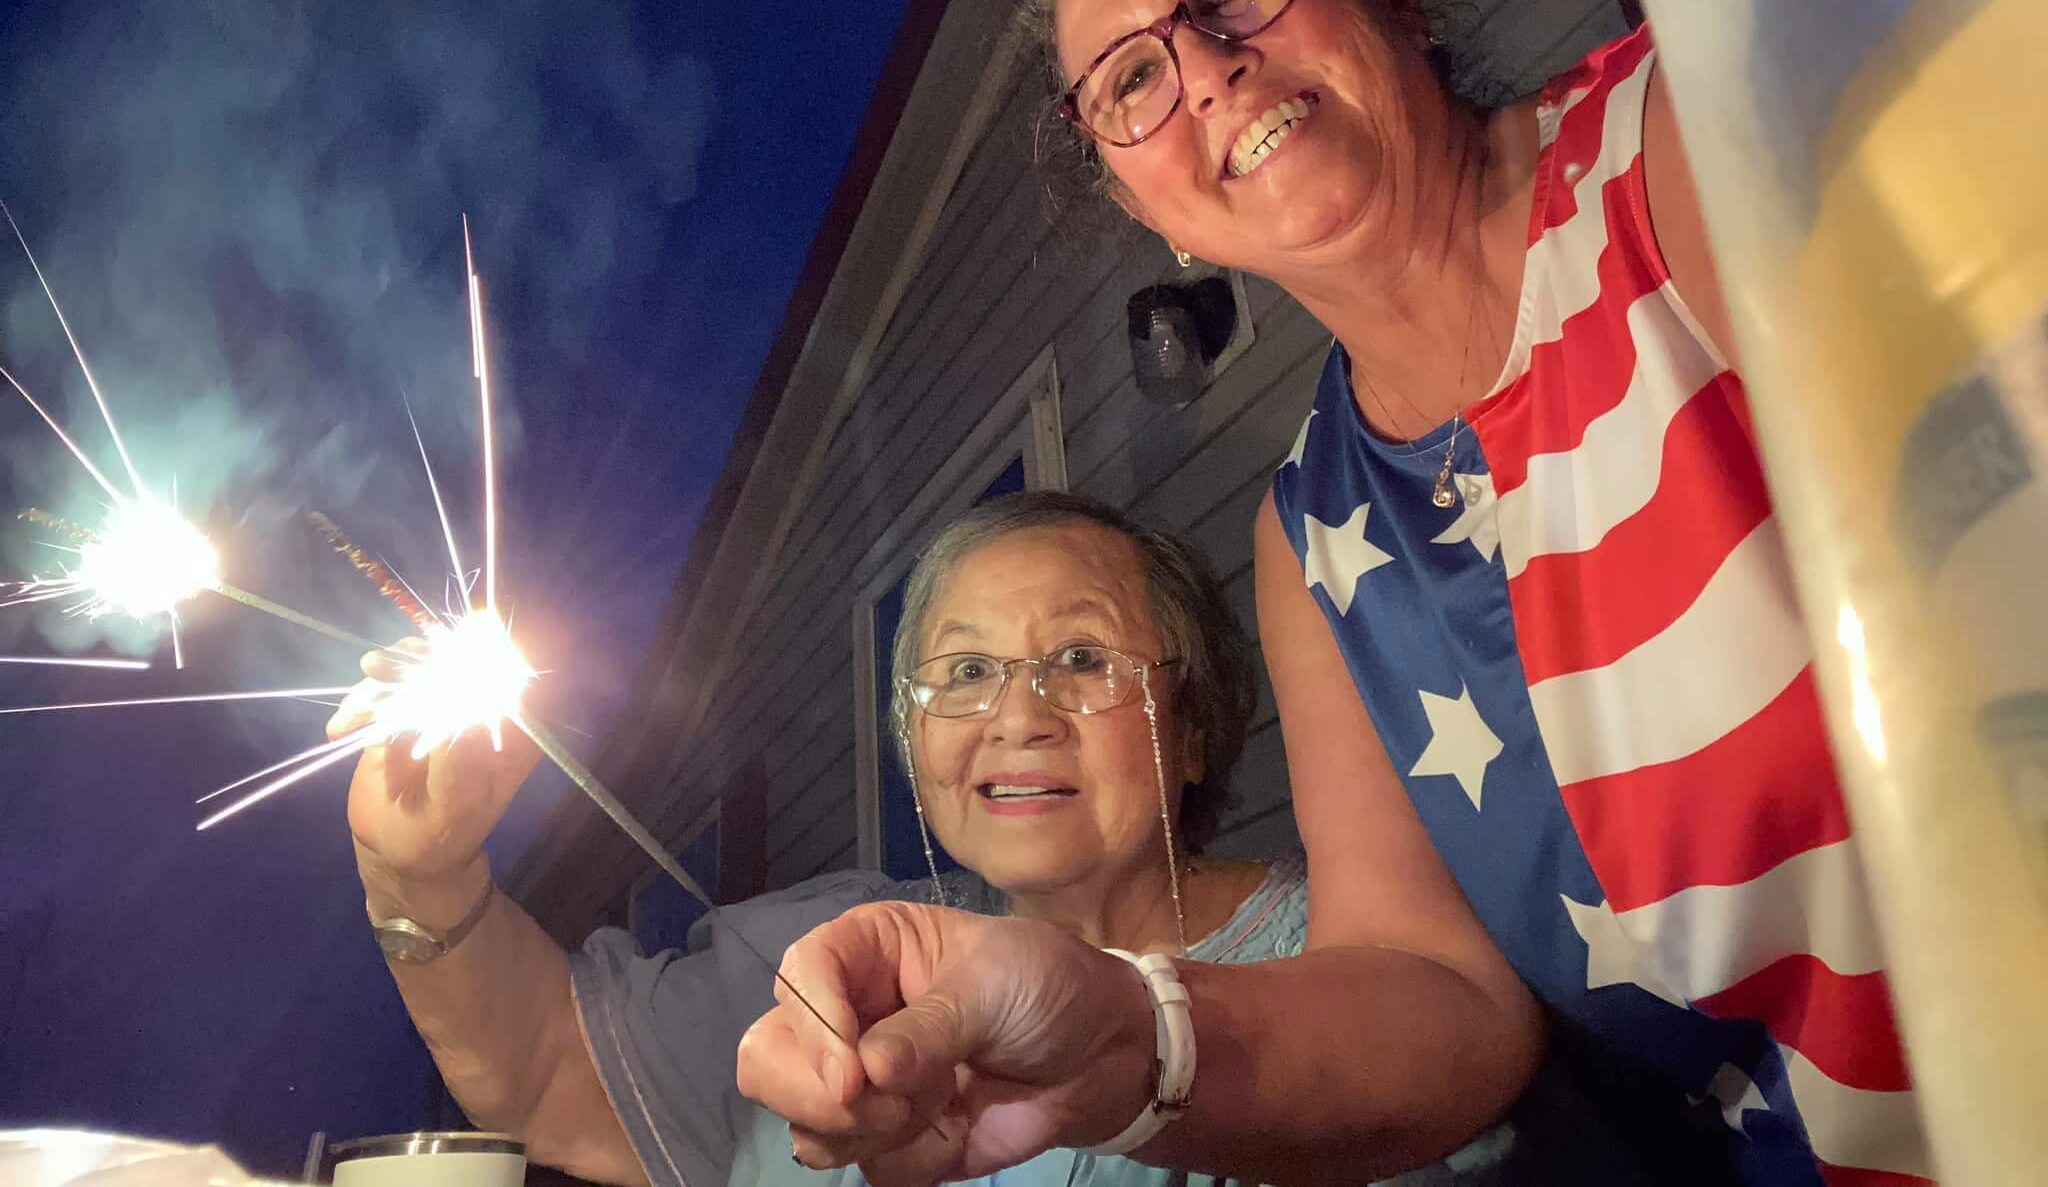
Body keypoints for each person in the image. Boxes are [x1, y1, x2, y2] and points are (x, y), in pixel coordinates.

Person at [733, 0, 1931, 1187]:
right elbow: (1441, 1002)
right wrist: (1126, 1035)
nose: (1209, 69)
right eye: (1131, 81)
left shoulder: (1694, 147)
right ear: (1146, 205)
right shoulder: (1314, 536)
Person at [339, 492, 1509, 1187]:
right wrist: (415, 868)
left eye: (1084, 659)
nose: (1015, 714)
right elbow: (543, 1073)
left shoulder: (1361, 975)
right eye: (960, 672)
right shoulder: (825, 952)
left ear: (1192, 726)